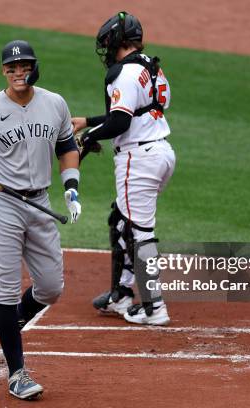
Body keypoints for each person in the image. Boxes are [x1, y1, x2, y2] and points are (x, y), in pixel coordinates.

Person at [0, 40, 82, 399]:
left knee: (52, 287)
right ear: (3, 71)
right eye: (11, 67)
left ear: (35, 67)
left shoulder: (54, 103)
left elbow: (67, 146)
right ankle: (17, 373)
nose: (18, 72)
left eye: (24, 66)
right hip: (1, 206)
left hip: (40, 204)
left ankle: (9, 322)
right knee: (5, 288)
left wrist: (71, 188)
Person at [72, 11, 176, 326]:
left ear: (117, 41)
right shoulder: (151, 68)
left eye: (108, 44)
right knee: (121, 221)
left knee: (141, 233)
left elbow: (121, 121)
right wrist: (88, 122)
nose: (107, 51)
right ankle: (121, 293)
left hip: (138, 159)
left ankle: (155, 309)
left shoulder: (125, 74)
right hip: (159, 153)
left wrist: (86, 139)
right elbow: (137, 111)